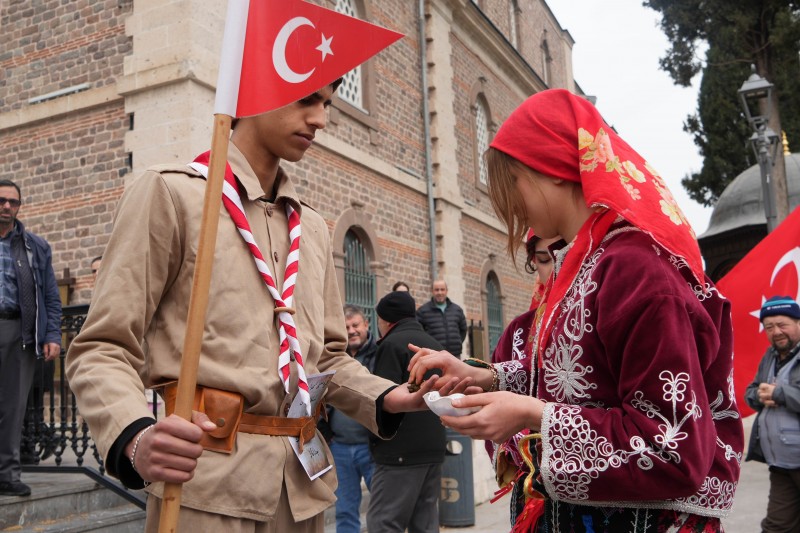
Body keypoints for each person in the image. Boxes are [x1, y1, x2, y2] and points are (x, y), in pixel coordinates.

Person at [65, 81, 459, 531]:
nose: (321, 119)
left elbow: (327, 359)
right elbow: (102, 346)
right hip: (206, 490)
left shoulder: (312, 228)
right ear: (253, 92)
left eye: (327, 104)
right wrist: (134, 435)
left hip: (302, 493)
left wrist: (387, 397)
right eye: (306, 99)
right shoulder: (172, 195)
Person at [408, 89, 743, 532]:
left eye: (514, 182)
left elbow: (672, 446)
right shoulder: (585, 264)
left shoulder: (634, 269)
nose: (510, 205)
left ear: (553, 170)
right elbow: (585, 379)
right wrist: (485, 378)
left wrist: (532, 415)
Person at [483, 233, 561, 525]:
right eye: (544, 259)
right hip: (531, 492)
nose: (557, 268)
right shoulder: (518, 332)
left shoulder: (603, 320)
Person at [0, 179, 62, 497]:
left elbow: (50, 295)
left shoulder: (35, 246)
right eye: (2, 200)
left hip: (18, 331)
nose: (7, 207)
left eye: (13, 202)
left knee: (13, 407)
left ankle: (7, 475)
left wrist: (51, 334)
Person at [366, 291, 446, 533]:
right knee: (425, 525)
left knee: (384, 523)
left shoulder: (391, 345)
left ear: (385, 320)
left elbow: (384, 398)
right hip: (433, 447)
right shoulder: (435, 344)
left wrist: (376, 443)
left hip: (399, 452)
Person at [317, 305, 377, 533]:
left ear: (366, 325)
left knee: (382, 511)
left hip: (371, 448)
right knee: (345, 510)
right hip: (339, 448)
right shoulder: (331, 359)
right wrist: (326, 433)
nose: (351, 331)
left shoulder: (379, 355)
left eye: (355, 325)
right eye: (346, 327)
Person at [744, 296, 800, 533]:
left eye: (782, 324)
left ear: (798, 323)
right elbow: (751, 390)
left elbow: (782, 393)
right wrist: (759, 395)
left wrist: (779, 394)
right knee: (777, 527)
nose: (776, 332)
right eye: (769, 327)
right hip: (781, 464)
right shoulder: (770, 355)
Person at [416, 279, 467, 358]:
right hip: (433, 356)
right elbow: (419, 333)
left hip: (454, 355)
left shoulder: (457, 310)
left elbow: (463, 330)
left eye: (442, 289)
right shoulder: (422, 311)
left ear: (446, 291)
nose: (439, 292)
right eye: (437, 290)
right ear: (432, 291)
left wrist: (457, 343)